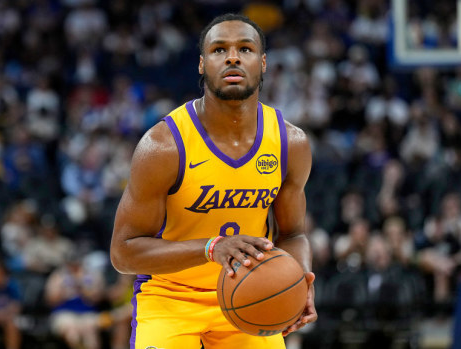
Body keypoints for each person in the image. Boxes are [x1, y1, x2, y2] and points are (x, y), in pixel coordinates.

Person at [110, 13, 317, 349]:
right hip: (171, 297)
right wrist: (212, 247)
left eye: (245, 49)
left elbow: (293, 233)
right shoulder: (163, 145)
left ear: (262, 63)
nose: (232, 56)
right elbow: (123, 253)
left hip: (252, 290)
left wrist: (301, 280)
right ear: (202, 65)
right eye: (219, 50)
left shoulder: (290, 143)